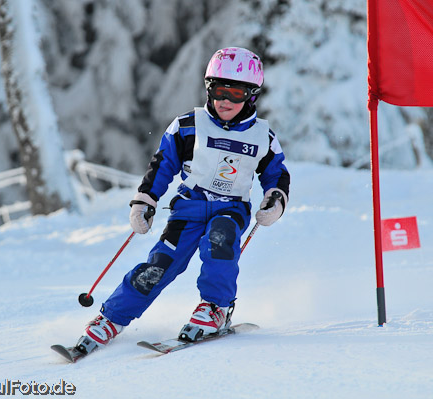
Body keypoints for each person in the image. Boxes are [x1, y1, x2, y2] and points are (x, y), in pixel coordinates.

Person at [76, 47, 290, 352]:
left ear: (251, 95)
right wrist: (145, 200)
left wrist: (275, 198)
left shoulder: (261, 136)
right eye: (219, 90)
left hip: (230, 209)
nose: (226, 100)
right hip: (187, 210)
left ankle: (215, 308)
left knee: (220, 239)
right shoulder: (189, 125)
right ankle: (111, 318)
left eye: (236, 93)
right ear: (209, 89)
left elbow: (277, 174)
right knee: (159, 266)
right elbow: (162, 164)